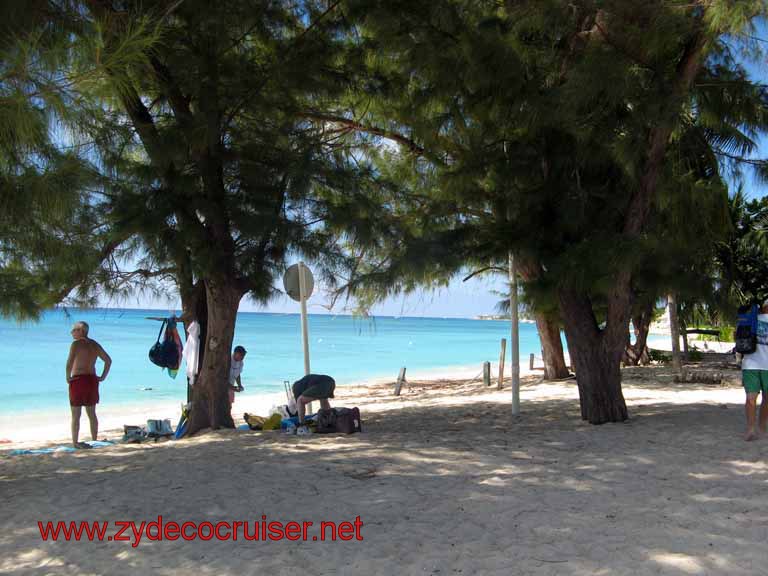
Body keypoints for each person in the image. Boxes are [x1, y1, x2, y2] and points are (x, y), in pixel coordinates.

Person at [65, 321, 111, 449]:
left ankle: (75, 442)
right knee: (91, 413)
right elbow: (108, 360)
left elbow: (69, 362)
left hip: (79, 380)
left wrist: (67, 377)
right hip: (91, 380)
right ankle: (94, 440)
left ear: (80, 330)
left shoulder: (76, 344)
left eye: (74, 330)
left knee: (76, 414)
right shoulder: (94, 344)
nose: (71, 332)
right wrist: (102, 377)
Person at [742, 300, 768, 441]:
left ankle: (752, 429)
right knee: (764, 399)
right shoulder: (751, 320)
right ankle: (760, 427)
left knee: (751, 399)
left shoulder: (748, 319)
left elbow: (736, 337)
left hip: (750, 363)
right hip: (753, 365)